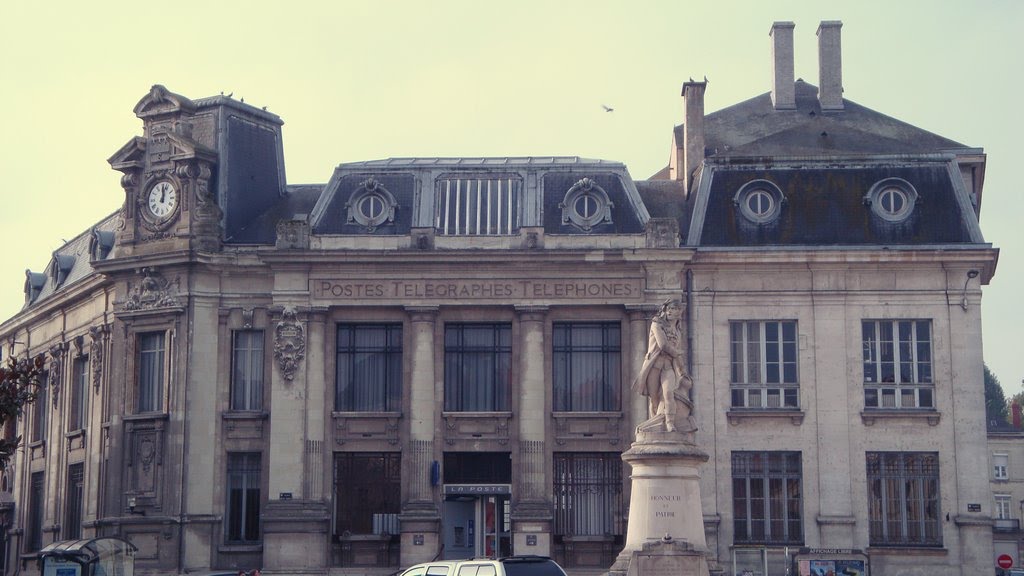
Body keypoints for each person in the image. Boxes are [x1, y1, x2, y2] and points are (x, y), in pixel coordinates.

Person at [631, 299, 692, 431]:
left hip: (668, 367)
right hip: (654, 366)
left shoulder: (677, 331)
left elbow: (677, 354)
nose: (673, 311)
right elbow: (663, 345)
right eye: (672, 308)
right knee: (654, 400)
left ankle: (670, 423)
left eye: (677, 308)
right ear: (666, 310)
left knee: (668, 393)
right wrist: (677, 352)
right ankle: (655, 424)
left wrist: (682, 372)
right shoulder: (656, 324)